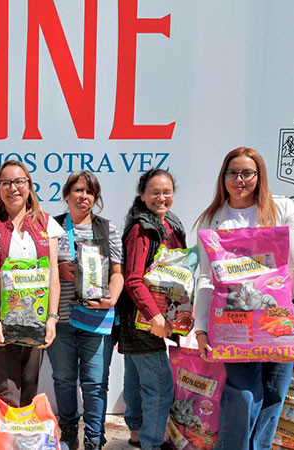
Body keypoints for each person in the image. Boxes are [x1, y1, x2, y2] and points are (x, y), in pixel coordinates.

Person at [194, 147, 294, 450]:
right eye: (232, 172)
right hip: (233, 324)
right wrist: (200, 327)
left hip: (278, 321)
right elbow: (206, 278)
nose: (239, 179)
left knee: (274, 393)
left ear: (259, 176)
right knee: (244, 393)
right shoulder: (213, 219)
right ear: (223, 177)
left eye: (247, 172)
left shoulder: (282, 208)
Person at [0, 160, 62, 408]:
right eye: (6, 183)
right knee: (7, 391)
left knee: (29, 388)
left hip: (35, 319)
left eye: (19, 181)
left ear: (29, 185)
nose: (13, 188)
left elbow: (53, 273)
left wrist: (52, 318)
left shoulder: (47, 223)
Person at [49, 171, 124, 450]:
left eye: (90, 192)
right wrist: (56, 270)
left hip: (97, 317)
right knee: (64, 381)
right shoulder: (52, 227)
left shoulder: (107, 229)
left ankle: (94, 439)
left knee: (95, 384)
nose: (84, 197)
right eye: (78, 190)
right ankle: (69, 434)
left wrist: (112, 298)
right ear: (67, 194)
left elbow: (118, 272)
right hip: (62, 319)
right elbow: (37, 268)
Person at [114, 168, 185, 450]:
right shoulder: (140, 229)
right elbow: (133, 279)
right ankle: (152, 443)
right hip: (143, 320)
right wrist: (155, 316)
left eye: (167, 192)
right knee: (159, 388)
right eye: (155, 192)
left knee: (135, 377)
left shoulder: (171, 224)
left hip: (155, 317)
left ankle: (136, 433)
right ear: (142, 195)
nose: (161, 197)